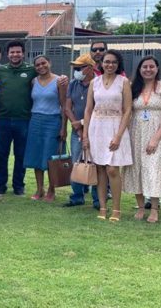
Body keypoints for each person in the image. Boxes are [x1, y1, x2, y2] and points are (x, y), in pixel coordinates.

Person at [123, 56, 161, 223]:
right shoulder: (133, 88)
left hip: (157, 134)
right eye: (144, 67)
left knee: (153, 169)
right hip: (136, 134)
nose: (148, 69)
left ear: (157, 68)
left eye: (151, 66)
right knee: (137, 168)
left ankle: (154, 208)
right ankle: (140, 207)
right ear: (139, 69)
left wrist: (155, 139)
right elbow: (126, 111)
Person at [82, 49, 132, 222]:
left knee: (112, 169)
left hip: (115, 127)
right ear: (101, 64)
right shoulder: (94, 83)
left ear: (118, 65)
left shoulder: (124, 82)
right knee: (101, 169)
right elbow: (88, 110)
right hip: (97, 127)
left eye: (114, 62)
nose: (110, 65)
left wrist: (118, 136)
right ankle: (103, 207)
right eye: (107, 62)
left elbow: (127, 111)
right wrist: (86, 135)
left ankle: (116, 209)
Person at [0, 40, 35, 197]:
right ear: (7, 54)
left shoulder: (31, 70)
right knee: (1, 154)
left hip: (23, 119)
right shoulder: (0, 71)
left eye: (18, 52)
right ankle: (0, 186)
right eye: (12, 52)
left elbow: (46, 77)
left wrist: (61, 78)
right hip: (2, 119)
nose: (15, 55)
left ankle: (18, 186)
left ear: (23, 53)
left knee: (20, 154)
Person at [24, 55, 67, 202]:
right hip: (35, 120)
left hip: (53, 121)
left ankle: (51, 190)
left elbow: (64, 105)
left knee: (50, 158)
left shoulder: (59, 81)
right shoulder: (33, 81)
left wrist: (63, 128)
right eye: (37, 65)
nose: (41, 66)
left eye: (44, 63)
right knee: (36, 156)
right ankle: (39, 189)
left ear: (50, 63)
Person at [63, 54, 99, 208]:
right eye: (75, 68)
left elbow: (100, 109)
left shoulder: (99, 84)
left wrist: (83, 123)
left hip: (97, 130)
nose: (76, 71)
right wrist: (76, 125)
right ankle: (77, 196)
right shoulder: (73, 84)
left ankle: (98, 198)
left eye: (79, 68)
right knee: (76, 162)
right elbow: (67, 107)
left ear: (90, 68)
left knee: (96, 163)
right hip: (77, 130)